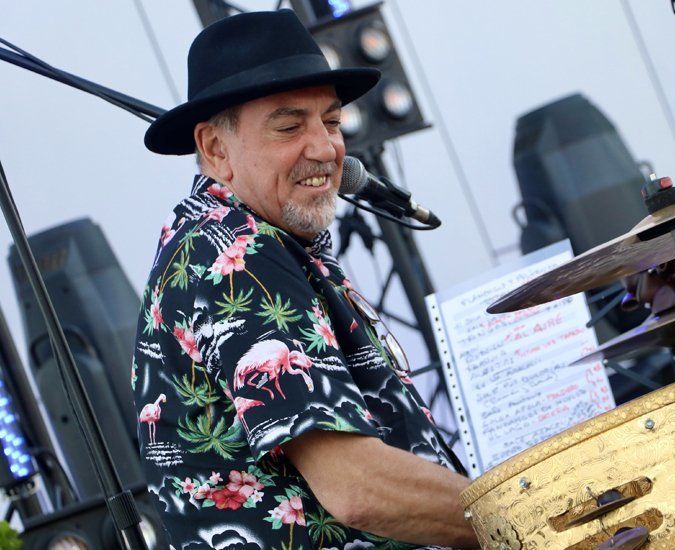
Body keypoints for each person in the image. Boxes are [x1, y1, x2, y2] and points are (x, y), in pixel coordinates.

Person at [133, 10, 477, 549]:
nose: (326, 148)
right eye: (290, 126)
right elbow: (356, 487)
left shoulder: (232, 239)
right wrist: (524, 514)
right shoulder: (234, 254)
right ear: (216, 150)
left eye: (333, 122)